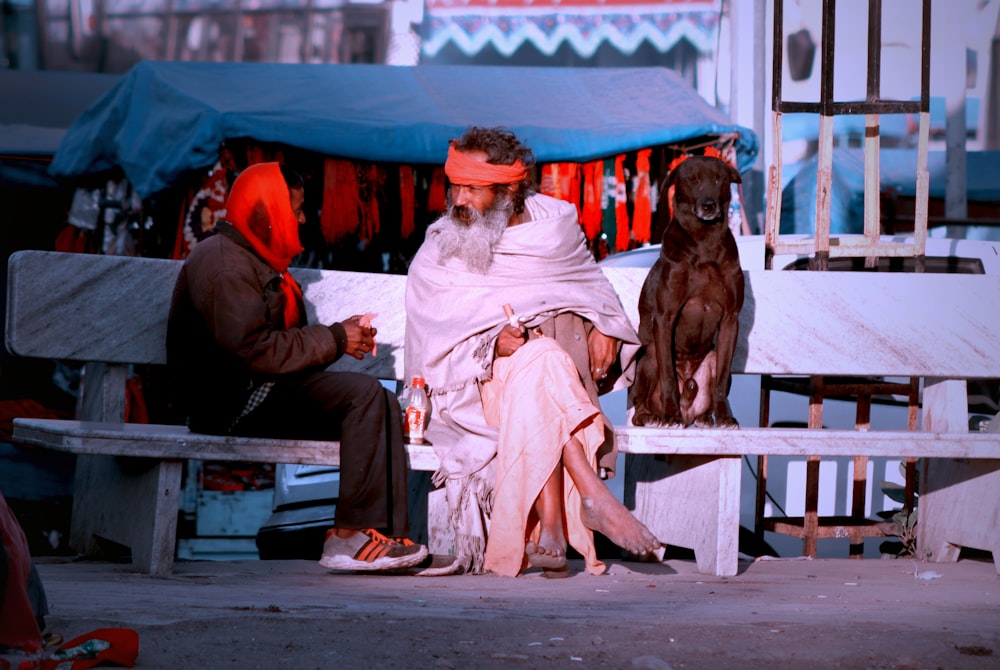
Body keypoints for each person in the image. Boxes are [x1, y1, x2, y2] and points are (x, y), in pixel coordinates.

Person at [405, 127, 662, 578]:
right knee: (541, 360)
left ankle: (553, 532)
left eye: (473, 189)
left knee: (539, 361)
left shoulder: (555, 227)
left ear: (509, 190)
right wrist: (490, 346)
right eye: (456, 186)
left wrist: (603, 325)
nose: (459, 200)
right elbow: (433, 341)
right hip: (474, 393)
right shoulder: (442, 246)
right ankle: (594, 499)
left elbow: (593, 291)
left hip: (537, 387)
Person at [166, 162, 427, 572]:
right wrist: (336, 338)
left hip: (259, 390)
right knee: (362, 396)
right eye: (296, 209)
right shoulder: (225, 264)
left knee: (382, 403)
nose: (303, 219)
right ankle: (347, 537)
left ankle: (383, 537)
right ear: (265, 210)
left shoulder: (250, 255)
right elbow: (253, 351)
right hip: (232, 405)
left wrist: (339, 338)